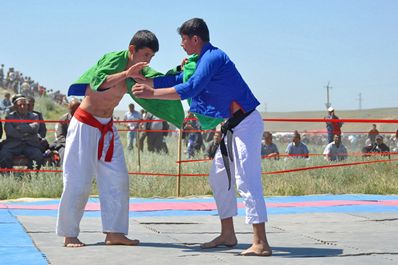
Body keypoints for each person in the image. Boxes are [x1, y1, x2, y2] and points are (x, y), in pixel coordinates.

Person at [133, 18, 271, 256]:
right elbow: (179, 80)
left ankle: (261, 242)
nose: (181, 45)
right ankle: (228, 234)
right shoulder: (198, 61)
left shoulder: (214, 57)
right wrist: (147, 80)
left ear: (195, 39)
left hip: (246, 123)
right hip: (231, 125)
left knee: (246, 180)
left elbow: (192, 88)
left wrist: (152, 92)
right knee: (218, 178)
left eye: (183, 40)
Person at [56, 30, 158, 248]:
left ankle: (114, 232)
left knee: (118, 179)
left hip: (107, 127)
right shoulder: (114, 59)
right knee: (78, 179)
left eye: (151, 57)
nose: (148, 60)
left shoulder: (140, 69)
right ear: (132, 50)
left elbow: (159, 78)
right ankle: (69, 234)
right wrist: (126, 73)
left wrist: (180, 70)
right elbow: (98, 82)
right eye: (146, 54)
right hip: (85, 124)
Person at [0, 95, 44, 170]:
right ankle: (8, 175)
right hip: (13, 144)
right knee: (4, 154)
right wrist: (26, 133)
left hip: (30, 144)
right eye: (20, 105)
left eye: (25, 104)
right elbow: (9, 131)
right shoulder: (10, 117)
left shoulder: (34, 116)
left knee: (37, 155)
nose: (23, 106)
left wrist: (19, 127)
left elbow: (35, 127)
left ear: (27, 106)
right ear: (15, 107)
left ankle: (31, 176)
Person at [50, 98, 81, 165]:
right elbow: (60, 136)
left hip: (80, 144)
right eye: (73, 109)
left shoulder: (84, 120)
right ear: (69, 109)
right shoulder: (63, 119)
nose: (75, 111)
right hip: (64, 144)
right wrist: (70, 144)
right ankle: (63, 172)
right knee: (65, 154)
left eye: (77, 109)